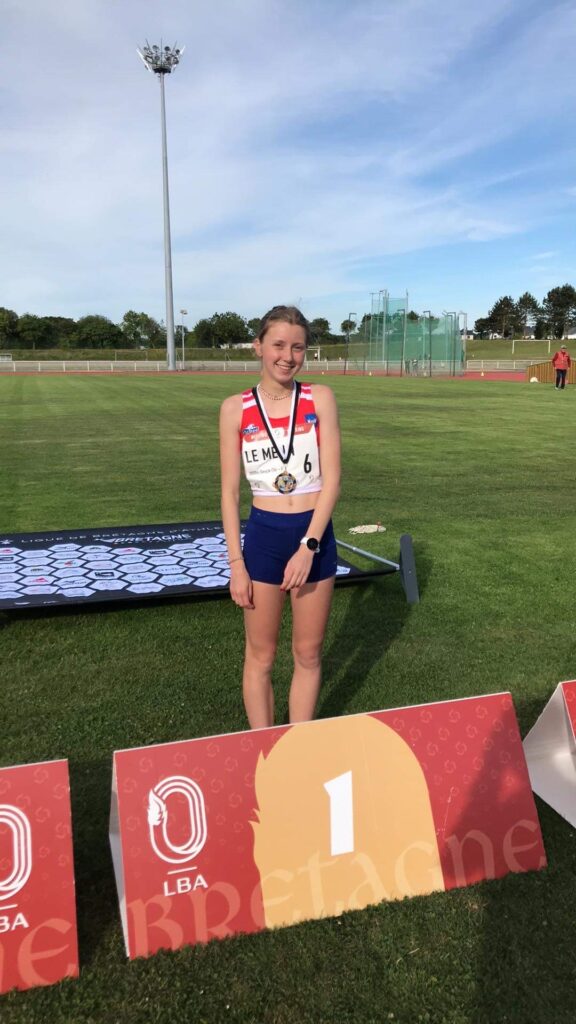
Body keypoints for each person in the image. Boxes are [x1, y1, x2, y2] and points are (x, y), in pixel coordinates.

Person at [219, 305, 341, 729]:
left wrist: (310, 546)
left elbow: (333, 481)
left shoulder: (319, 398)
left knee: (307, 653)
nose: (287, 356)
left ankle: (299, 747)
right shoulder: (235, 408)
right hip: (265, 537)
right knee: (261, 655)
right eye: (278, 345)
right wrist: (237, 564)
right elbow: (229, 493)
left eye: (298, 347)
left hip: (313, 534)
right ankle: (263, 747)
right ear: (258, 347)